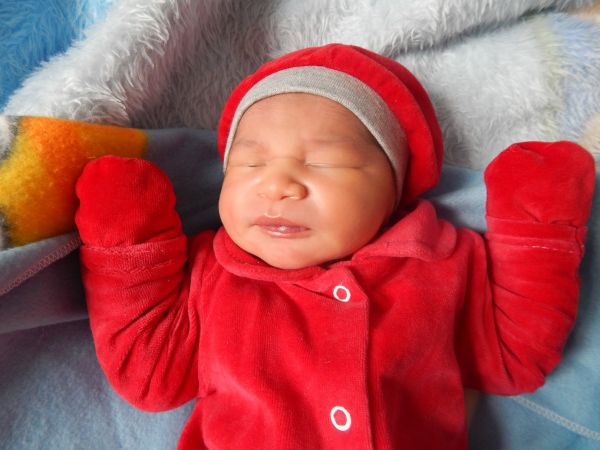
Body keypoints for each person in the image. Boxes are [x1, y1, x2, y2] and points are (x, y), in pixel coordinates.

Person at [74, 44, 595, 450]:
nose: (277, 185)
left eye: (326, 162)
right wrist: (129, 242)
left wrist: (537, 229)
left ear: (394, 190)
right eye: (249, 164)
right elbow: (151, 378)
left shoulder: (440, 261)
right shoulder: (214, 274)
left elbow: (513, 359)